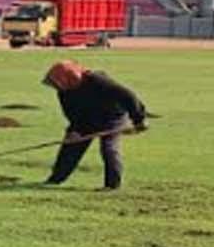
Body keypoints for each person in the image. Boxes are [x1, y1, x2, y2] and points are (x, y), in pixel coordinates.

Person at [40, 59, 147, 190]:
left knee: (109, 149)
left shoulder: (98, 81)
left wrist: (138, 120)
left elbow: (127, 96)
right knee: (70, 147)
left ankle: (112, 185)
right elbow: (71, 113)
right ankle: (55, 179)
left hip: (112, 119)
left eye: (57, 82)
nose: (56, 86)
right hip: (86, 120)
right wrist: (74, 131)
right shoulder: (64, 91)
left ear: (68, 77)